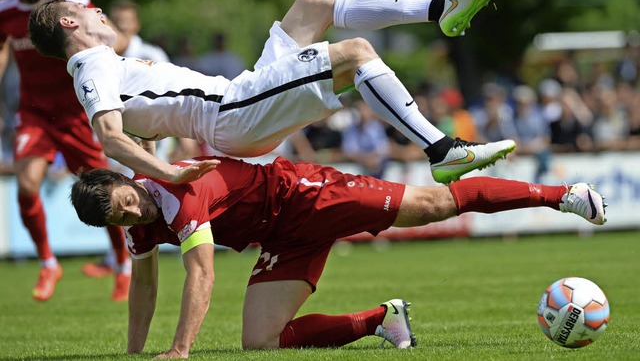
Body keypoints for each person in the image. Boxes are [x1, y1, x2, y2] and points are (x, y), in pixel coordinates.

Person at [70, 155, 606, 358]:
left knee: (434, 204)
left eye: (128, 203)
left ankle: (564, 195)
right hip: (282, 238)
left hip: (306, 193)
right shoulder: (136, 223)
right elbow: (144, 283)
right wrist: (136, 355)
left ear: (126, 181)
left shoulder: (176, 191)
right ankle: (383, 320)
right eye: (121, 220)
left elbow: (201, 271)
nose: (133, 217)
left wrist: (180, 350)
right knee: (260, 341)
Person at [28, 0, 515, 186]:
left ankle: (442, 8)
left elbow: (141, 125)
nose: (95, 11)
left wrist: (156, 166)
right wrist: (169, 178)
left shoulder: (103, 67)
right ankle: (441, 151)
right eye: (84, 8)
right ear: (70, 24)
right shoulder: (90, 64)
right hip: (233, 113)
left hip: (238, 100)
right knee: (355, 51)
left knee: (315, 1)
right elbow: (110, 138)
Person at [0, 0, 130, 301]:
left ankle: (122, 261)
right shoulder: (5, 11)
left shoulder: (73, 2)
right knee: (26, 186)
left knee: (101, 187)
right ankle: (48, 262)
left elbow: (111, 36)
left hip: (76, 112)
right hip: (33, 114)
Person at [81, 0, 174, 280]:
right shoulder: (101, 57)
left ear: (136, 23)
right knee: (121, 197)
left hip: (153, 133)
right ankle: (123, 257)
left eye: (126, 22)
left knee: (149, 190)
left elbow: (172, 90)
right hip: (117, 137)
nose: (121, 28)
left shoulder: (150, 52)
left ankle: (167, 238)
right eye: (116, 23)